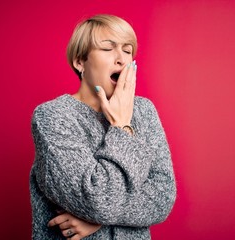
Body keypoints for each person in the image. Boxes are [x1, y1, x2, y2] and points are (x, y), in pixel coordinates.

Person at [30, 14, 176, 240]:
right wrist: (121, 126)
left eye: (127, 50)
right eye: (108, 49)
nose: (121, 59)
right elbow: (97, 199)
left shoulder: (144, 111)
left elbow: (162, 197)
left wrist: (96, 219)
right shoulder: (52, 116)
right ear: (80, 62)